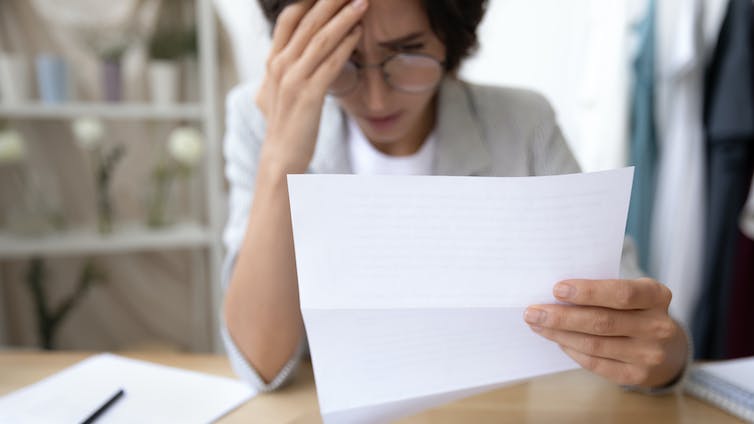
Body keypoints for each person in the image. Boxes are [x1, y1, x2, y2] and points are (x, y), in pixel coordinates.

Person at [221, 0, 690, 394]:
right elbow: (262, 364)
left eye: (407, 52)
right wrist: (282, 158)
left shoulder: (522, 124)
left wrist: (664, 355)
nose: (378, 100)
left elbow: (636, 315)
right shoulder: (257, 119)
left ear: (451, 38)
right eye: (344, 63)